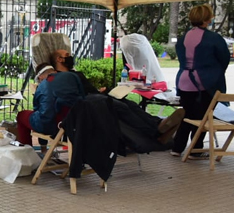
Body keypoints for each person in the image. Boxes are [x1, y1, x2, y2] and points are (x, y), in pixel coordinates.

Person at [51, 49, 184, 145]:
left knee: (129, 103)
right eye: (66, 55)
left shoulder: (74, 73)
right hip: (89, 104)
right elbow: (74, 96)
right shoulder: (59, 78)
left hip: (96, 97)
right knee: (121, 107)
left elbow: (86, 88)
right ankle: (155, 132)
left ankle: (158, 123)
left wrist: (100, 91)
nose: (70, 57)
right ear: (59, 59)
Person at [171, 4, 231, 159]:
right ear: (207, 19)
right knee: (202, 117)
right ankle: (195, 149)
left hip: (184, 80)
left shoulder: (183, 38)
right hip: (205, 81)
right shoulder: (214, 39)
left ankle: (177, 147)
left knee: (188, 114)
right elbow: (224, 59)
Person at [15, 63, 85, 146]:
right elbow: (82, 98)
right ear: (54, 71)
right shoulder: (73, 77)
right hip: (73, 124)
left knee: (21, 115)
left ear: (39, 77)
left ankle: (27, 151)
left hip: (49, 126)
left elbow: (38, 109)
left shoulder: (43, 84)